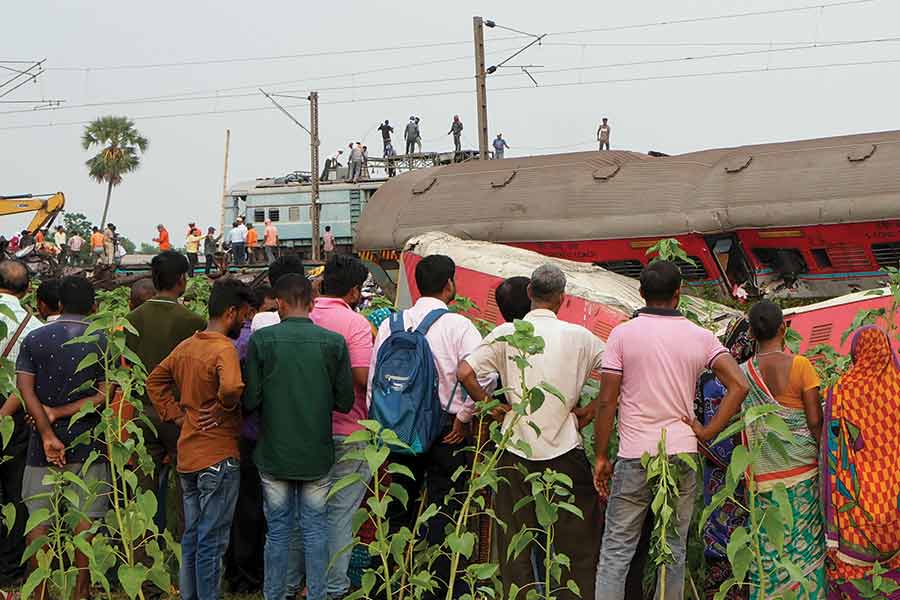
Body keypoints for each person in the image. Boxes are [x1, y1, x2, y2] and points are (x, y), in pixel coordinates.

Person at [593, 260, 749, 600]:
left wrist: (601, 455)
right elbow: (738, 384)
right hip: (682, 451)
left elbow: (606, 402)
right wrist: (707, 432)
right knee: (673, 549)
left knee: (617, 552)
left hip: (635, 454)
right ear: (678, 295)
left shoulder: (622, 334)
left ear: (641, 293)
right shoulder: (700, 336)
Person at [458, 264, 603, 599]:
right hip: (566, 449)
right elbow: (616, 374)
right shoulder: (580, 337)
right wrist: (590, 412)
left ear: (529, 294)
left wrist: (491, 407)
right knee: (576, 543)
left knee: (515, 543)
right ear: (562, 299)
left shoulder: (507, 333)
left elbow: (464, 371)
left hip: (515, 449)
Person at [368, 254, 489, 598]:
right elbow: (484, 374)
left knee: (398, 506)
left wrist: (382, 426)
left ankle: (386, 583)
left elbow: (376, 381)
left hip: (398, 430)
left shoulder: (392, 324)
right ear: (450, 284)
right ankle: (439, 585)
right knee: (444, 507)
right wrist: (464, 416)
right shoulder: (458, 325)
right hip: (445, 431)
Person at [243, 273, 354, 600]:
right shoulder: (334, 343)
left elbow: (251, 400)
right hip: (317, 454)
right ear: (312, 301)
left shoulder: (262, 342)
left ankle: (275, 594)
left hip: (274, 452)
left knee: (277, 532)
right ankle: (317, 594)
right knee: (316, 529)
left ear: (279, 303)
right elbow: (345, 401)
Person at [147, 278, 255, 600]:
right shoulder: (224, 348)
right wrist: (223, 409)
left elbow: (155, 381)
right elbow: (234, 387)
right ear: (231, 311)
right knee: (213, 540)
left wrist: (177, 415)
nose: (245, 322)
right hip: (218, 456)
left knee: (192, 536)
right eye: (244, 316)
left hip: (189, 455)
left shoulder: (187, 346)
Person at [16, 276, 109, 600]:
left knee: (39, 520)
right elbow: (104, 394)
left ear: (58, 305)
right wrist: (62, 413)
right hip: (88, 443)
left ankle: (39, 590)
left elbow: (25, 389)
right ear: (94, 306)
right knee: (86, 518)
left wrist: (45, 431)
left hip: (41, 448)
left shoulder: (35, 338)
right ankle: (81, 591)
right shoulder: (103, 339)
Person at [742, 301, 825, 598]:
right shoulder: (801, 366)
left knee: (768, 549)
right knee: (805, 550)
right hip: (802, 473)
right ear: (783, 328)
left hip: (762, 477)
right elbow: (815, 421)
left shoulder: (742, 374)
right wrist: (824, 457)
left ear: (751, 333)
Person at [126, 251, 207, 535]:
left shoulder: (131, 319)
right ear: (181, 280)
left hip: (141, 415)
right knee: (188, 492)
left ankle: (146, 566)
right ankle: (188, 561)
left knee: (143, 495)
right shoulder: (193, 322)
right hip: (180, 414)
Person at [308, 255, 373, 598]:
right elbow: (362, 376)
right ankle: (334, 587)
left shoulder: (301, 316)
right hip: (349, 429)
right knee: (341, 513)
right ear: (353, 291)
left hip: (306, 430)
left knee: (308, 511)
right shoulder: (354, 324)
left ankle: (306, 583)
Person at [824, 325, 900, 597]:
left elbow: (833, 447)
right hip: (895, 494)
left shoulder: (841, 389)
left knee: (855, 569)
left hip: (857, 497)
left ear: (857, 353)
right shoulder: (898, 385)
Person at [695, 317, 754, 600]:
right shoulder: (754, 376)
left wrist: (712, 451)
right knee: (749, 535)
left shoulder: (707, 377)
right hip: (751, 471)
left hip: (716, 473)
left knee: (718, 534)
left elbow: (694, 424)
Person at [0, 261, 44, 585]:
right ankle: (11, 573)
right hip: (15, 417)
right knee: (16, 495)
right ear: (28, 289)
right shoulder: (36, 327)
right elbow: (28, 382)